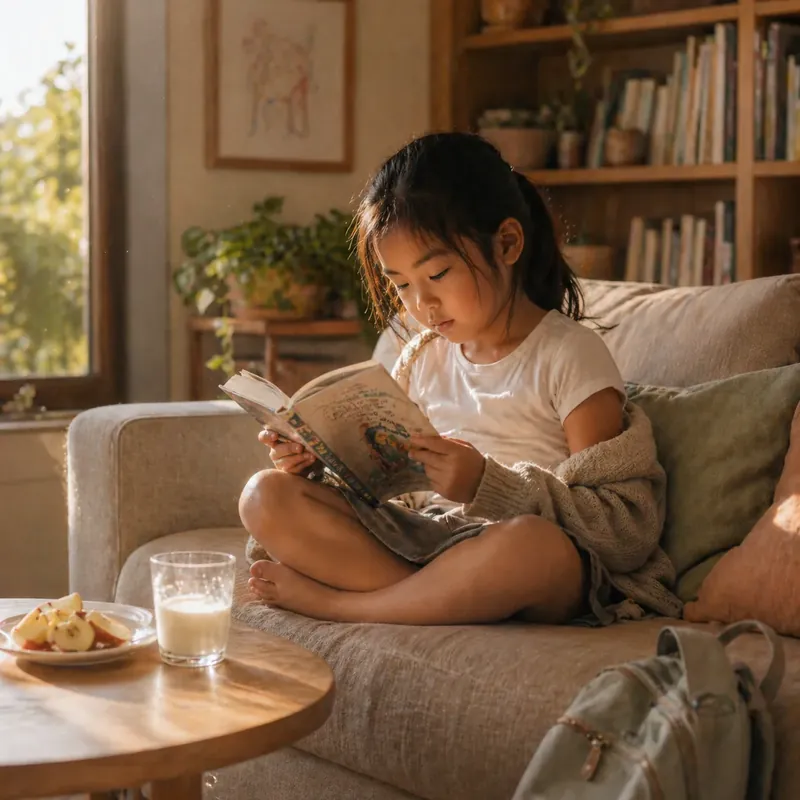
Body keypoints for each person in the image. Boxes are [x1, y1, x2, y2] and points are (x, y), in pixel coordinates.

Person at [239, 132, 681, 626]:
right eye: (401, 284)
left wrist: (486, 484)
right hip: (427, 545)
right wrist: (314, 464)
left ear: (508, 243)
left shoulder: (569, 355)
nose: (421, 304)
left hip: (526, 558)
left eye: (439, 274)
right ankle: (436, 599)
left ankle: (347, 604)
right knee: (265, 495)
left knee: (529, 547)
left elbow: (622, 528)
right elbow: (393, 499)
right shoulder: (421, 357)